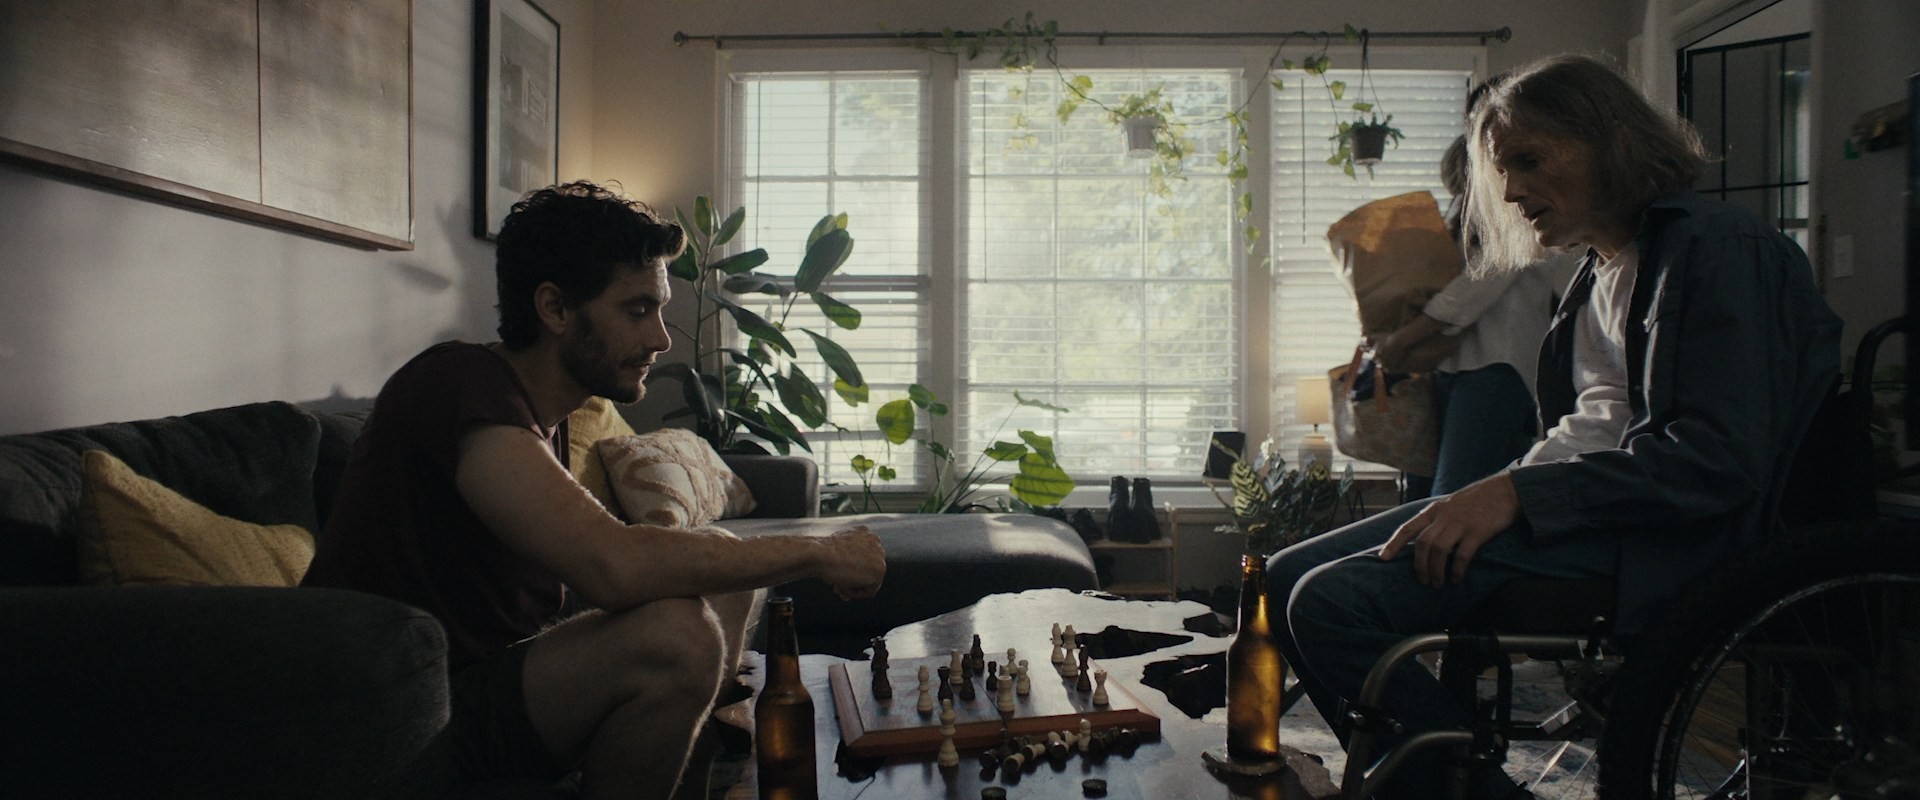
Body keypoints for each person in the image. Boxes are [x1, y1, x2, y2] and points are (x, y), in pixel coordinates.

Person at [1268, 54, 1841, 800]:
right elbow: (1592, 421)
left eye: (1530, 161)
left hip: (1661, 534)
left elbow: (1715, 461)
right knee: (1281, 577)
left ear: (1610, 141)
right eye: (1502, 171)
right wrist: (1506, 486)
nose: (1509, 192)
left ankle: (1460, 790)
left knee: (1329, 602)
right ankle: (1431, 774)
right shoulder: (1597, 272)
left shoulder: (1718, 250)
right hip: (1588, 507)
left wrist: (1518, 497)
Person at [302, 181, 887, 800]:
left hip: (479, 685)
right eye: (637, 310)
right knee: (675, 636)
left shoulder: (542, 415)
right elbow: (611, 567)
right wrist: (818, 550)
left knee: (724, 583)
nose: (661, 339)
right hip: (395, 716)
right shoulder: (459, 385)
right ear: (555, 309)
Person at [1376, 135, 1578, 499]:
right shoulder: (1462, 216)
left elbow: (1476, 287)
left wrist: (1403, 338)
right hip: (1452, 367)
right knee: (1435, 492)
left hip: (1498, 366)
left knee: (1451, 494)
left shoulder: (1518, 216)